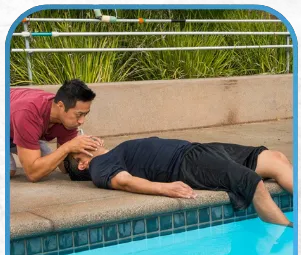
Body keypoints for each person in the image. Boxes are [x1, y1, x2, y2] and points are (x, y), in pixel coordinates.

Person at [63, 136, 293, 228]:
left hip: (198, 149)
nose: (85, 138)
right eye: (79, 146)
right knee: (252, 183)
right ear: (82, 164)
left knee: (276, 158)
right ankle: (289, 238)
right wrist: (165, 188)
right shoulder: (98, 165)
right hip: (187, 163)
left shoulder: (113, 152)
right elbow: (124, 181)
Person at [10, 79, 104, 182]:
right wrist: (67, 147)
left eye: (85, 114)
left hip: (17, 129)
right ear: (60, 106)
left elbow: (65, 166)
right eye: (79, 114)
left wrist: (91, 147)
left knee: (47, 166)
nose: (82, 121)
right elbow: (33, 174)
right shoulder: (28, 113)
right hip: (17, 121)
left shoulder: (66, 119)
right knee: (10, 169)